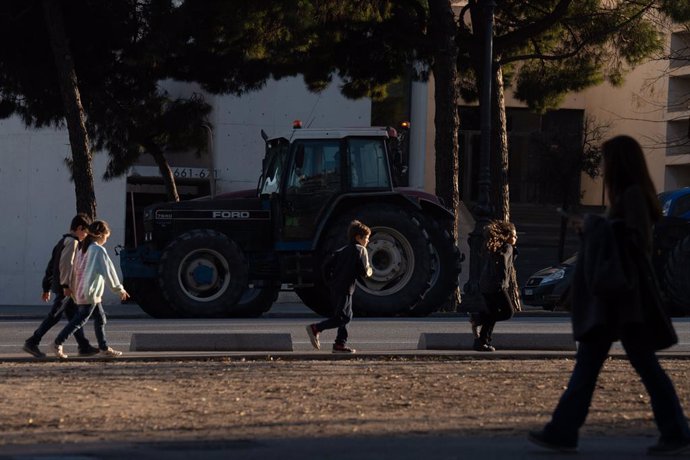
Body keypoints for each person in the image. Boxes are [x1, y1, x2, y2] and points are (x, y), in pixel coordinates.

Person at [528, 135, 690, 455]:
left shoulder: (631, 197)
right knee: (605, 365)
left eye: (606, 160)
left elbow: (634, 243)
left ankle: (564, 431)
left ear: (619, 163)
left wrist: (592, 226)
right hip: (621, 297)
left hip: (621, 298)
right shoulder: (631, 197)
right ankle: (564, 430)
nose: (602, 166)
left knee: (606, 366)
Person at [23, 214, 99, 358]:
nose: (85, 236)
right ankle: (32, 342)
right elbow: (66, 266)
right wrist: (65, 286)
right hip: (66, 288)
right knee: (55, 316)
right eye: (85, 232)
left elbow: (51, 265)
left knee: (73, 317)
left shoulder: (62, 241)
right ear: (79, 228)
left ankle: (84, 346)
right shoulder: (72, 242)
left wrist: (46, 287)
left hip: (64, 287)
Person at [52, 220, 129, 359]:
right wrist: (119, 289)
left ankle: (104, 347)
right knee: (79, 321)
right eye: (106, 237)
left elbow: (75, 270)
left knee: (100, 318)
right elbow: (109, 271)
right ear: (100, 235)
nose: (106, 240)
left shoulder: (83, 249)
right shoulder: (98, 250)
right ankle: (58, 342)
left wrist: (74, 290)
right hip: (90, 292)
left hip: (82, 291)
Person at [306, 220, 373, 354]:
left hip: (336, 287)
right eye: (366, 238)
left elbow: (326, 266)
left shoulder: (341, 250)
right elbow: (364, 272)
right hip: (346, 288)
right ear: (358, 237)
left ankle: (339, 345)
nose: (368, 241)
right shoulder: (361, 250)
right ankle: (316, 328)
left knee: (347, 315)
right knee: (343, 317)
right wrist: (370, 271)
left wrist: (329, 282)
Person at [469, 220, 521, 352]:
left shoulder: (500, 247)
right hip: (496, 285)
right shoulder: (507, 247)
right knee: (508, 312)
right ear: (506, 236)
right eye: (514, 236)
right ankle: (479, 318)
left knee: (492, 313)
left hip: (486, 284)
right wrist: (502, 283)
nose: (516, 238)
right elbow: (502, 265)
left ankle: (481, 342)